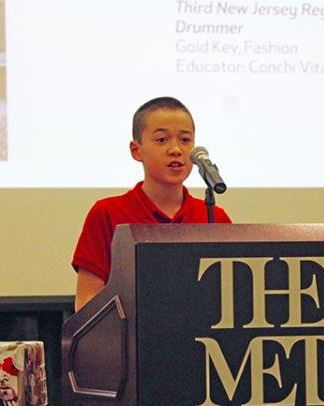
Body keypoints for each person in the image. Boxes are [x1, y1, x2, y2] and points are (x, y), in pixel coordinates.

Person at [72, 97, 231, 311]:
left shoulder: (214, 216)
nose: (175, 149)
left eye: (185, 140)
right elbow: (87, 301)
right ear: (136, 150)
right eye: (161, 140)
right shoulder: (108, 213)